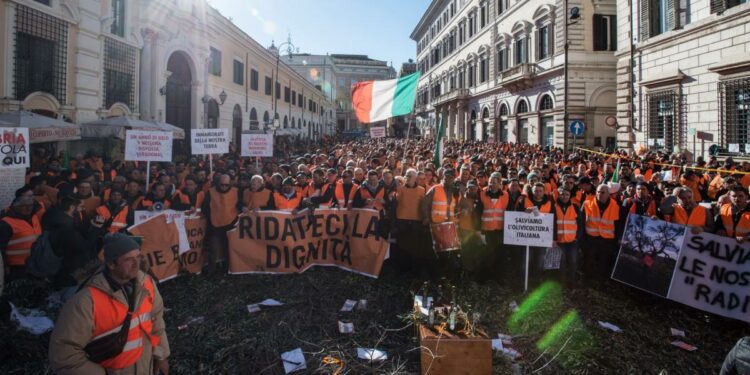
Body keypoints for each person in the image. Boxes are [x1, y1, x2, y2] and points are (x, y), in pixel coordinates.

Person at [49, 233, 170, 374]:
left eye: (138, 256)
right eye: (129, 259)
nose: (137, 264)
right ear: (111, 264)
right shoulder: (85, 302)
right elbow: (64, 356)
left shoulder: (147, 283)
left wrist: (162, 356)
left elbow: (156, 321)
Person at [43, 197, 94, 288]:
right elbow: (82, 247)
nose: (81, 210)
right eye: (79, 207)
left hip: (58, 261)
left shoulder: (58, 218)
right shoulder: (67, 226)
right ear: (72, 208)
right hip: (67, 266)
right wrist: (96, 230)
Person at [579, 184, 623, 281]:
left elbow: (618, 225)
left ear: (608, 194)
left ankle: (600, 281)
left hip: (606, 239)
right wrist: (582, 238)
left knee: (603, 261)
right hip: (591, 238)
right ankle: (587, 279)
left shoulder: (615, 206)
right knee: (589, 259)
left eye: (602, 192)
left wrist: (615, 240)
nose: (599, 194)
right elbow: (581, 222)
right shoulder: (587, 203)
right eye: (598, 192)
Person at [201, 173, 241, 272]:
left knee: (229, 250)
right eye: (222, 184)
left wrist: (242, 207)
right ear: (218, 183)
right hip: (215, 225)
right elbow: (205, 207)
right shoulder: (210, 192)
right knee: (213, 249)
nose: (224, 187)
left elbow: (240, 203)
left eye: (226, 185)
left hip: (231, 224)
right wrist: (211, 216)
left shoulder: (236, 191)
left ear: (230, 184)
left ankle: (228, 268)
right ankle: (211, 270)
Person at [0, 196, 42, 281]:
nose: (28, 208)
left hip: (34, 263)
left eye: (30, 205)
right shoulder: (6, 223)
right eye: (24, 206)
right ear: (15, 207)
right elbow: (1, 248)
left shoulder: (34, 217)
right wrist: (5, 267)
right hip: (16, 267)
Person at [554, 187, 579, 287]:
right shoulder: (553, 207)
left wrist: (577, 237)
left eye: (567, 195)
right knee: (561, 262)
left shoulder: (575, 207)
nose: (564, 196)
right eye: (562, 194)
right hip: (559, 241)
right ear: (558, 194)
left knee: (573, 261)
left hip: (572, 240)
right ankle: (561, 282)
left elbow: (580, 223)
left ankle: (572, 282)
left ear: (570, 196)